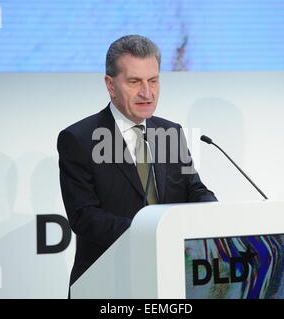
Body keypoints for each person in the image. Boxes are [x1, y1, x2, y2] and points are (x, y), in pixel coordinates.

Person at [57, 35, 217, 296]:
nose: (147, 92)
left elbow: (194, 189)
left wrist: (214, 214)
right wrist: (150, 233)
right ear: (110, 85)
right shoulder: (79, 138)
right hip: (109, 282)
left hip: (172, 279)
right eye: (134, 82)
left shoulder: (170, 132)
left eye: (153, 81)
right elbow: (84, 216)